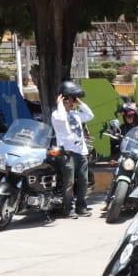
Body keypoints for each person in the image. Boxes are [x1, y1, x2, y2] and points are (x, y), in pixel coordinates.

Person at [49, 80, 93, 219]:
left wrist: (80, 103)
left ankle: (81, 207)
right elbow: (62, 118)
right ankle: (68, 209)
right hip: (67, 152)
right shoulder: (56, 114)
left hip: (81, 151)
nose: (71, 103)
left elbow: (90, 115)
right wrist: (60, 104)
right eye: (68, 100)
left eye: (72, 101)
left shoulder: (76, 114)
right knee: (69, 182)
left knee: (84, 181)